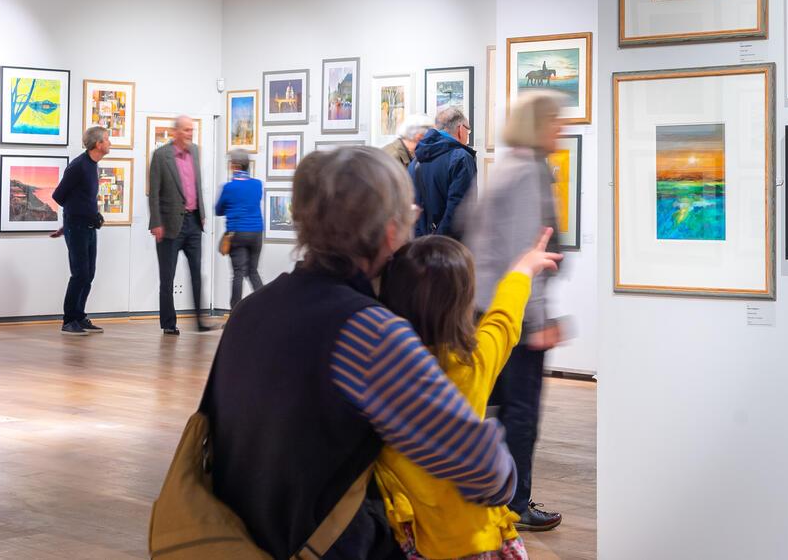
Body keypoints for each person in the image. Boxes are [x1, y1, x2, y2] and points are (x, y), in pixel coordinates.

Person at [200, 146, 517, 559]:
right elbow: (483, 468)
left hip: (233, 541)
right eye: (408, 216)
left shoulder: (250, 310)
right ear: (389, 232)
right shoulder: (368, 332)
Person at [374, 229, 560, 560]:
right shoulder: (473, 362)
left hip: (412, 537)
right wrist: (524, 269)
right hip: (472, 536)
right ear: (463, 303)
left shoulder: (378, 371)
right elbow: (504, 320)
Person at [463, 91, 566, 532]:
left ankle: (495, 496)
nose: (561, 128)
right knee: (521, 414)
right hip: (512, 313)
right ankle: (515, 504)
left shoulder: (509, 166)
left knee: (498, 409)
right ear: (538, 124)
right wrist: (539, 320)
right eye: (555, 120)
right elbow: (528, 253)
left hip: (488, 307)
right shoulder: (526, 173)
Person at [148, 114, 211, 335]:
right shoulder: (160, 156)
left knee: (197, 274)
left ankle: (200, 321)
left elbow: (197, 185)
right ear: (175, 132)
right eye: (186, 130)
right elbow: (154, 193)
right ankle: (168, 323)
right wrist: (156, 222)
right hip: (169, 224)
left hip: (194, 222)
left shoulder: (195, 151)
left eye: (191, 130)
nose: (190, 134)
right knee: (167, 277)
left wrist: (202, 212)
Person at [51, 126, 111, 336]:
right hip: (77, 227)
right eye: (107, 139)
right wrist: (71, 221)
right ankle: (69, 321)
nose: (110, 143)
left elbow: (82, 197)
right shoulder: (78, 166)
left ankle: (79, 316)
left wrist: (92, 214)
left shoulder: (92, 165)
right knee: (80, 274)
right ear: (98, 144)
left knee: (89, 274)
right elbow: (59, 196)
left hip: (88, 226)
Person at [410, 106, 476, 239]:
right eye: (468, 131)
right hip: (449, 244)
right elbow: (459, 209)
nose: (467, 135)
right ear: (461, 129)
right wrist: (439, 241)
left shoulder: (416, 160)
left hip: (419, 242)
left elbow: (412, 205)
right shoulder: (461, 158)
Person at [214, 149, 264, 309]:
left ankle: (235, 313)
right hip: (256, 233)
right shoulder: (257, 184)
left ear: (235, 165)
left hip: (237, 233)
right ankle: (266, 307)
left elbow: (218, 210)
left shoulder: (229, 187)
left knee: (238, 273)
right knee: (253, 271)